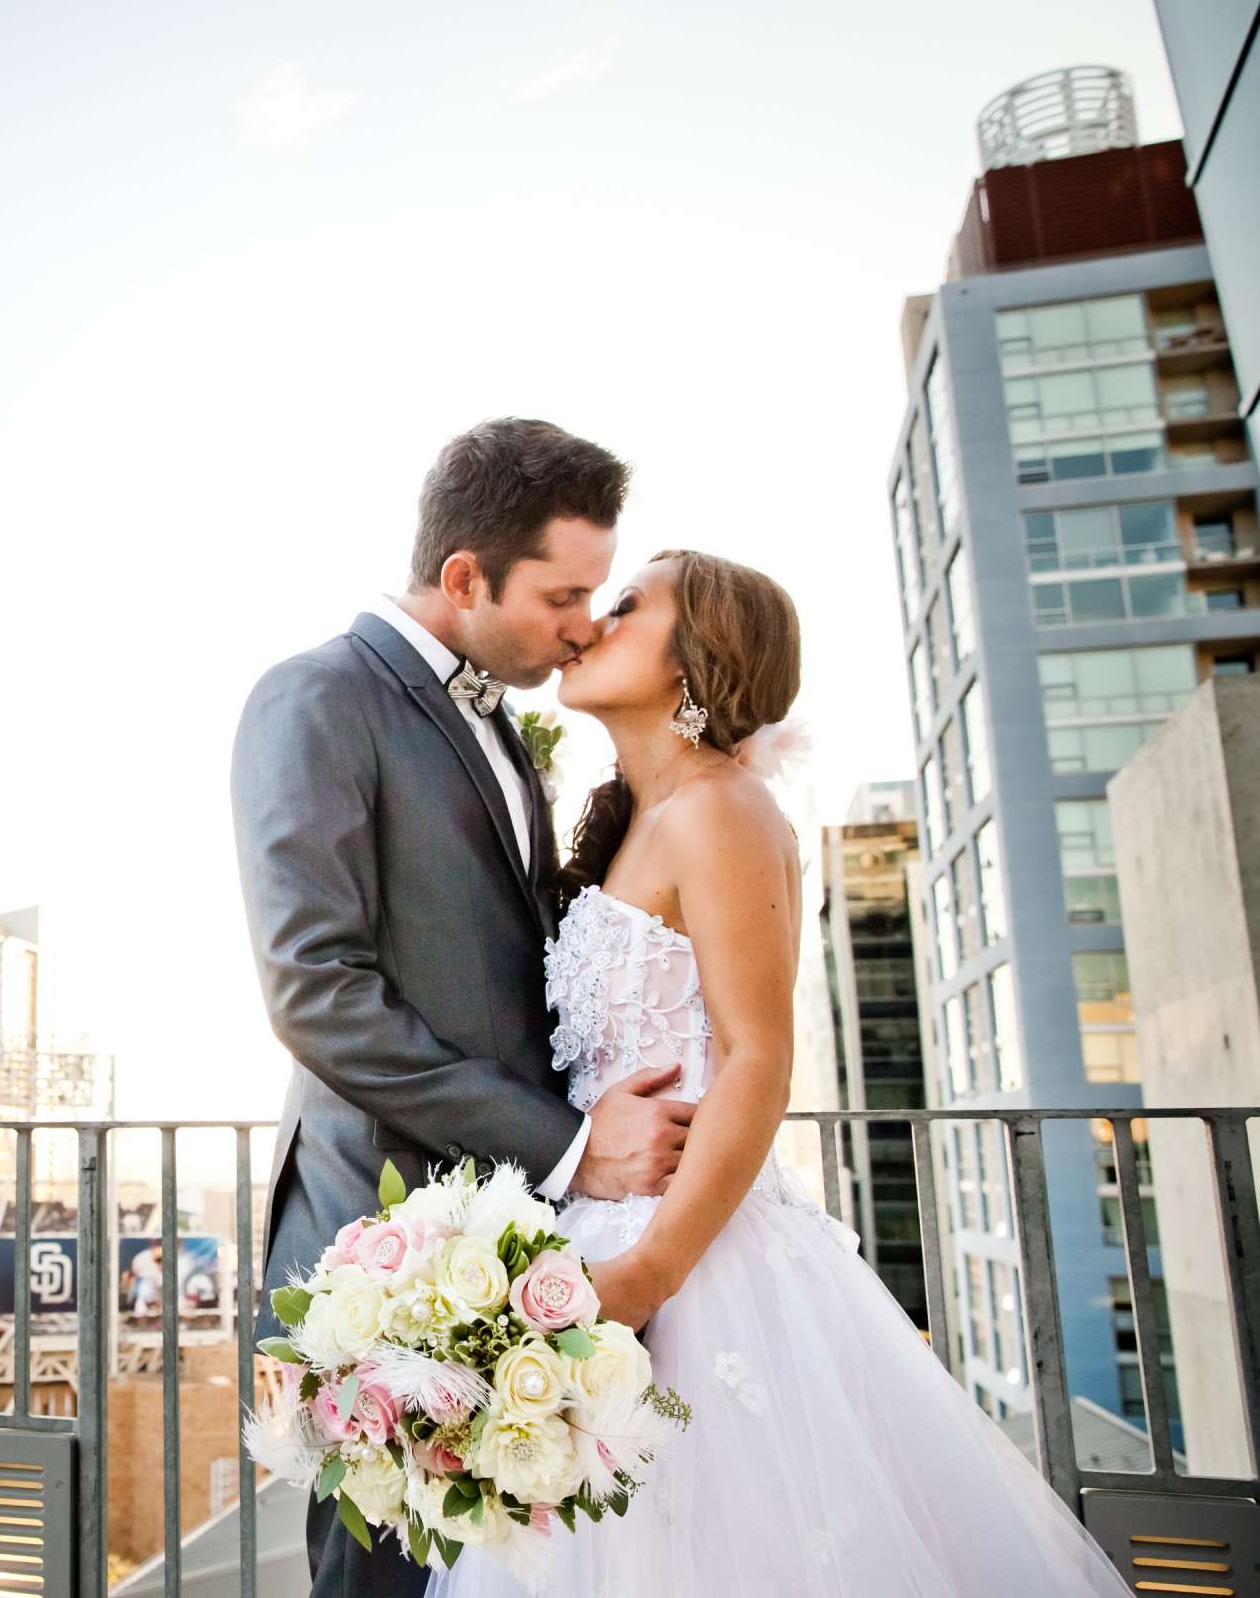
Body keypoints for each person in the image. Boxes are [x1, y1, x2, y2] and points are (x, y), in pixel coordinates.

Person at [427, 551, 1129, 1596]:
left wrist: (653, 1272)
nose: (589, 623)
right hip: (598, 1228)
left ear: (697, 657)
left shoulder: (722, 808)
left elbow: (758, 1056)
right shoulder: (636, 822)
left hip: (694, 1263)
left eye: (626, 605)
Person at [231, 419, 692, 1598]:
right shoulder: (316, 697)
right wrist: (576, 1148)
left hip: (514, 1236)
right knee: (381, 1582)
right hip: (376, 1238)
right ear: (463, 578)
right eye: (564, 593)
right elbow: (317, 993)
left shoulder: (502, 723)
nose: (584, 622)